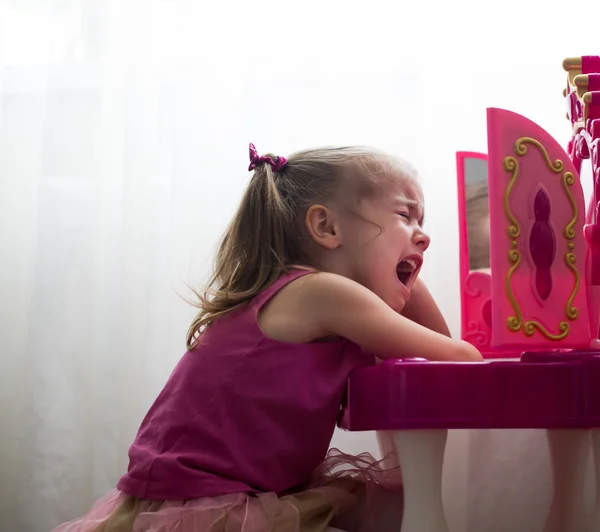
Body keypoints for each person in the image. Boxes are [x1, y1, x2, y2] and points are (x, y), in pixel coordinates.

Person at [53, 144, 482, 532]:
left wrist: (404, 261)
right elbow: (461, 361)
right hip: (209, 508)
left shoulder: (311, 298)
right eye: (406, 217)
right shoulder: (321, 292)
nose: (424, 236)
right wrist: (407, 278)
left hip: (236, 494)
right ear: (325, 227)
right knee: (403, 509)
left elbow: (438, 370)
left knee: (398, 506)